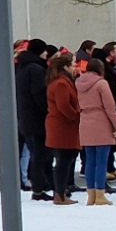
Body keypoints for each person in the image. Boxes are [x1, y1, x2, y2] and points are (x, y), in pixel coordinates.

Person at [76, 56, 116, 206]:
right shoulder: (101, 84)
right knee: (101, 161)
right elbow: (110, 107)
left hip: (85, 120)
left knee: (90, 161)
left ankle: (91, 195)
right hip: (101, 121)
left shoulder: (78, 82)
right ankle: (100, 194)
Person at [16, 39, 52, 200]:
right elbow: (40, 95)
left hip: (26, 117)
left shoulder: (22, 68)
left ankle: (40, 185)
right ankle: (38, 188)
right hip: (37, 119)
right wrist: (49, 111)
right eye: (44, 51)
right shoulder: (36, 69)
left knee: (36, 154)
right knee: (40, 155)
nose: (46, 54)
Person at [44, 53, 81, 204]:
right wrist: (76, 116)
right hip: (62, 127)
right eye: (73, 64)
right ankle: (59, 194)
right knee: (63, 161)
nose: (75, 67)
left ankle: (60, 193)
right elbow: (63, 105)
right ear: (65, 67)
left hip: (64, 126)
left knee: (65, 160)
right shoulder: (61, 83)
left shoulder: (63, 81)